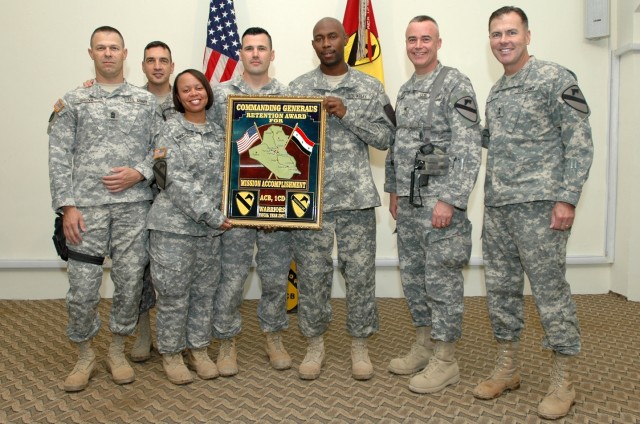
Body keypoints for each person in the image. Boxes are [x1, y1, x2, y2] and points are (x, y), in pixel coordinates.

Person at [472, 6, 593, 420]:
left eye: (510, 32)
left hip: (541, 208)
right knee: (502, 293)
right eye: (496, 34)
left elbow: (579, 142)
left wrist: (567, 198)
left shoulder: (555, 78)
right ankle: (508, 367)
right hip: (500, 209)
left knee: (549, 294)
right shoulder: (497, 90)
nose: (503, 40)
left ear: (527, 35)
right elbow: (497, 140)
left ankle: (564, 381)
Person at [48, 26, 157, 392]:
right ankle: (84, 355)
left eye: (114, 48)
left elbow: (161, 149)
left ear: (125, 54)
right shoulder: (74, 100)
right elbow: (59, 155)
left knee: (129, 284)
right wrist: (67, 207)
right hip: (86, 211)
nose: (108, 53)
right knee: (82, 288)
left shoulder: (146, 103)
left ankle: (116, 350)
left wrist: (138, 172)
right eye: (101, 48)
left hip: (133, 210)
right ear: (91, 53)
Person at [288, 17, 394, 380]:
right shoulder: (298, 87)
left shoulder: (369, 86)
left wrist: (347, 115)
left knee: (360, 275)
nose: (326, 43)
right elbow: (279, 142)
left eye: (332, 36)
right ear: (313, 44)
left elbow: (386, 138)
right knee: (313, 277)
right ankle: (314, 344)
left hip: (355, 200)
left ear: (346, 39)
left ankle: (359, 345)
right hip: (310, 202)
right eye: (318, 38)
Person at [384, 15, 481, 393]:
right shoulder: (407, 89)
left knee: (441, 280)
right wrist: (393, 191)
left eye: (426, 39)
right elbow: (399, 145)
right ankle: (424, 343)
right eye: (412, 39)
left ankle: (446, 360)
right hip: (409, 203)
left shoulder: (455, 83)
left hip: (439, 204)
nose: (418, 46)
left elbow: (467, 145)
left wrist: (451, 200)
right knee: (415, 278)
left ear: (439, 43)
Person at [82, 40, 177, 362]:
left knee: (169, 272)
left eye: (163, 60)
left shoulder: (189, 98)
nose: (157, 66)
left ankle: (177, 337)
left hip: (175, 202)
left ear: (172, 65)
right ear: (141, 64)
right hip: (139, 199)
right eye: (151, 60)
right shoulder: (133, 100)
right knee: (137, 271)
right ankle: (143, 331)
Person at [209, 27, 294, 376]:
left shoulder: (290, 95)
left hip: (276, 204)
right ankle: (226, 342)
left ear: (272, 55)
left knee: (275, 276)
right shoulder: (219, 95)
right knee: (231, 277)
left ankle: (273, 337)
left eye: (262, 48)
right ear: (239, 54)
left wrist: (283, 205)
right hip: (234, 205)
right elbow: (202, 135)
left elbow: (299, 159)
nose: (255, 54)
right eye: (249, 48)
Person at [147, 69, 232, 385]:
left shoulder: (220, 132)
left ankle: (198, 349)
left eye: (199, 87)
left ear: (207, 92)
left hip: (210, 231)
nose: (193, 93)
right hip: (174, 229)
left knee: (204, 294)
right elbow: (165, 176)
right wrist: (209, 213)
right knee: (173, 295)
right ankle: (171, 353)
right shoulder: (168, 130)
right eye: (186, 90)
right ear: (178, 97)